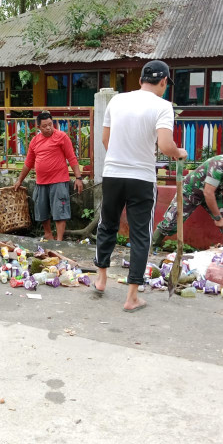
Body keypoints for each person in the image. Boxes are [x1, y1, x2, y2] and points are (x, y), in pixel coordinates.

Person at [94, 60, 186, 312]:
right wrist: (179, 152)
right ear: (164, 82)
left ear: (140, 80)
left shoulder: (117, 100)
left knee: (107, 224)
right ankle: (132, 296)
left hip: (113, 174)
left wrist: (120, 160)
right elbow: (165, 146)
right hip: (141, 179)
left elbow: (105, 139)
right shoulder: (163, 106)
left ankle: (101, 279)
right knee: (140, 234)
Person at [153, 141, 223, 247]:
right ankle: (151, 246)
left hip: (213, 193)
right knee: (172, 222)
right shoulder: (219, 165)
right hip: (191, 191)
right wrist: (218, 218)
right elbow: (208, 192)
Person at [13, 111, 84, 240]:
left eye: (50, 124)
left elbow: (72, 158)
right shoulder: (35, 141)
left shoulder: (62, 137)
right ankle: (48, 234)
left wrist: (78, 178)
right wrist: (19, 180)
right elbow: (28, 163)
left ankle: (59, 240)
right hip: (41, 182)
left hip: (59, 180)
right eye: (45, 126)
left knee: (60, 211)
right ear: (39, 127)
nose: (48, 128)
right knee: (41, 210)